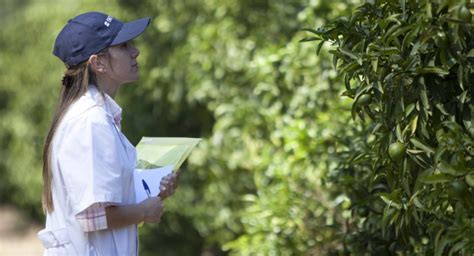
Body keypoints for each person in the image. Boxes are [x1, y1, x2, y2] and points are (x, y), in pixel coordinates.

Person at [37, 12, 178, 255]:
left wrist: (155, 192)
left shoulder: (96, 117)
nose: (136, 52)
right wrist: (145, 211)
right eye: (124, 46)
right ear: (98, 63)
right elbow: (92, 217)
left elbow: (106, 201)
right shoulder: (90, 121)